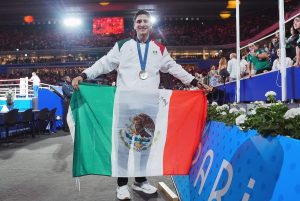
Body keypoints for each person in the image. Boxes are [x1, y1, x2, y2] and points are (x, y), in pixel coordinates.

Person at [72, 10, 207, 200]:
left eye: (146, 21)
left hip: (149, 105)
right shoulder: (122, 46)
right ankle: (121, 185)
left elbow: (174, 68)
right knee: (124, 144)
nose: (142, 24)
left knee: (144, 144)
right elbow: (104, 64)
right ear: (134, 26)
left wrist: (195, 82)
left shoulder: (159, 48)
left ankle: (141, 181)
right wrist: (84, 75)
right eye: (139, 21)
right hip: (125, 104)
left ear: (150, 26)